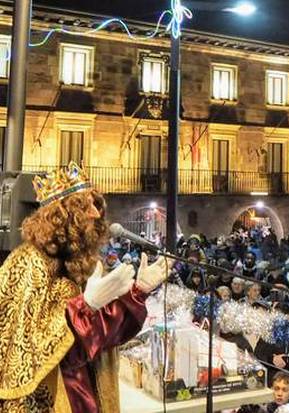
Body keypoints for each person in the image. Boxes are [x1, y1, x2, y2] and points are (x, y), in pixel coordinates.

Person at [0, 162, 169, 412]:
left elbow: (99, 338)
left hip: (87, 394)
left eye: (95, 205)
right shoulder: (28, 263)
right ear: (61, 216)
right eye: (85, 207)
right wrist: (83, 307)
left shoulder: (83, 264)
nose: (95, 214)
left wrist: (137, 292)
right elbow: (28, 354)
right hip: (50, 400)